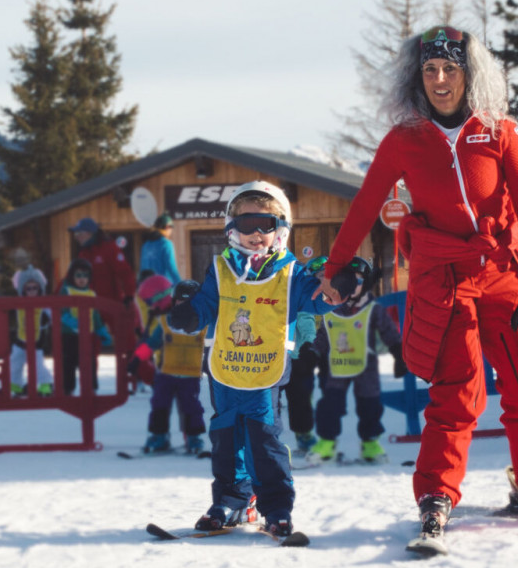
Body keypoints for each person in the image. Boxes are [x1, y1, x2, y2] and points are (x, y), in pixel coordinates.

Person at [315, 25, 518, 546]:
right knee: (458, 391)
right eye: (430, 70)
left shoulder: (499, 131)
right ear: (416, 77)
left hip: (503, 271)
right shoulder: (404, 139)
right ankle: (437, 492)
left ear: (471, 74)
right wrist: (334, 268)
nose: (440, 80)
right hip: (442, 276)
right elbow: (366, 203)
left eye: (450, 69)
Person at [167, 181, 341, 539]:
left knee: (264, 440)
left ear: (281, 229)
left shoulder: (291, 273)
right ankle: (231, 501)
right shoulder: (220, 269)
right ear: (232, 229)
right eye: (247, 225)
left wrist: (337, 288)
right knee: (225, 439)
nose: (256, 233)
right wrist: (189, 314)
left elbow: (316, 299)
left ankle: (275, 508)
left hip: (264, 373)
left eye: (266, 224)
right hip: (226, 371)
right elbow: (206, 305)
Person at [307, 276, 404, 464]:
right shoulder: (332, 308)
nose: (352, 286)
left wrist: (398, 353)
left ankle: (370, 443)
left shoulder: (372, 308)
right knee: (330, 404)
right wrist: (312, 353)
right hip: (338, 365)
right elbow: (324, 335)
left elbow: (389, 332)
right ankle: (327, 442)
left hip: (365, 365)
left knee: (370, 405)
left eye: (358, 282)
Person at [135, 273, 207, 455]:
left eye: (189, 302)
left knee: (191, 407)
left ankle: (194, 437)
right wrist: (137, 359)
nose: (184, 306)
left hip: (190, 376)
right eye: (180, 302)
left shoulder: (204, 325)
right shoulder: (166, 322)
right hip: (166, 375)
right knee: (159, 405)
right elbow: (152, 342)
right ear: (174, 302)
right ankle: (159, 436)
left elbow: (212, 347)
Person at [70, 217, 137, 350]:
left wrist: (129, 295)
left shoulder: (109, 248)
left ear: (90, 233)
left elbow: (125, 273)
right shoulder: (83, 254)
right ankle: (90, 364)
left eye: (79, 233)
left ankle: (136, 362)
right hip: (92, 305)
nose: (76, 237)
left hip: (113, 302)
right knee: (90, 342)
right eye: (75, 234)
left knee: (126, 339)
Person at [58, 258, 113, 395]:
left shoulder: (91, 293)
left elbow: (95, 315)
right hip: (70, 334)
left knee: (89, 362)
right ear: (72, 276)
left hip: (87, 335)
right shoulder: (67, 290)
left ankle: (91, 388)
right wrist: (71, 321)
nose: (82, 279)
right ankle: (67, 389)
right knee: (69, 362)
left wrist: (101, 331)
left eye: (85, 275)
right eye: (78, 275)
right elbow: (62, 310)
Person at [9, 266, 53, 397]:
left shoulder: (43, 304)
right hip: (20, 339)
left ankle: (46, 384)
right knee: (15, 362)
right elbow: (11, 316)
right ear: (22, 289)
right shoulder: (18, 303)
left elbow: (51, 316)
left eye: (35, 288)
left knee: (37, 364)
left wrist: (47, 320)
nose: (32, 291)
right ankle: (15, 384)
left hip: (36, 340)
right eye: (28, 288)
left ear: (40, 288)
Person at [284, 310, 320, 454]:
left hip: (297, 357)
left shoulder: (298, 300)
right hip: (275, 357)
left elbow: (306, 321)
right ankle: (264, 437)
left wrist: (309, 346)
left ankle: (304, 435)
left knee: (300, 398)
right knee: (268, 400)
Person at [140, 214, 182, 285]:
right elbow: (171, 267)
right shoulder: (166, 244)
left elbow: (143, 269)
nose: (171, 231)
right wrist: (180, 284)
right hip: (163, 286)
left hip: (148, 286)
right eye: (171, 227)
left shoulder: (146, 245)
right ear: (167, 227)